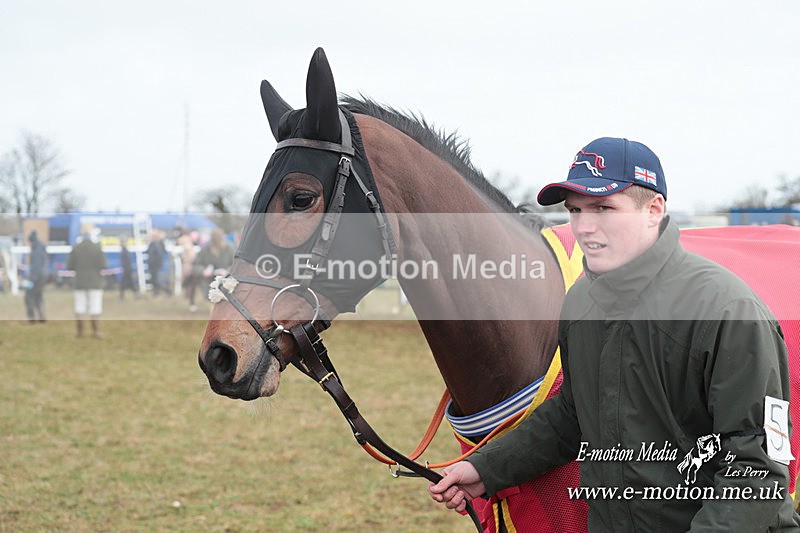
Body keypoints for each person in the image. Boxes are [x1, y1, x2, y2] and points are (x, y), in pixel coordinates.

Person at [429, 137, 800, 531]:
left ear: (653, 210)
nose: (584, 227)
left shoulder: (728, 312)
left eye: (604, 208)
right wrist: (484, 469)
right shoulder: (581, 303)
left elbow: (757, 469)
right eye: (575, 210)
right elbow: (574, 413)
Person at [67, 226, 107, 338]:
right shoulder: (97, 248)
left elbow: (70, 266)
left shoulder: (76, 248)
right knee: (95, 307)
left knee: (80, 307)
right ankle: (96, 331)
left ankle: (80, 332)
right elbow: (103, 265)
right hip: (95, 282)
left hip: (79, 282)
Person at [188, 229, 234, 311]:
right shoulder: (205, 249)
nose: (218, 245)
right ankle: (192, 302)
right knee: (194, 280)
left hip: (226, 279)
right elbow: (195, 264)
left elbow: (236, 264)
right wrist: (203, 271)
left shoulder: (229, 248)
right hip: (208, 280)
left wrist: (228, 271)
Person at [24, 230, 48, 323]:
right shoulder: (41, 247)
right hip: (42, 276)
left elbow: (36, 266)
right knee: (38, 296)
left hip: (36, 278)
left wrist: (32, 280)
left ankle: (31, 318)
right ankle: (42, 317)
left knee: (28, 297)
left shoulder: (37, 250)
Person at [146, 230, 166, 296]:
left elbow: (159, 255)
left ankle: (166, 291)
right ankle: (156, 292)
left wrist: (153, 262)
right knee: (154, 280)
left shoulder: (157, 244)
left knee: (157, 280)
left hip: (156, 265)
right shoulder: (152, 244)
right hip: (152, 265)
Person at [118, 235, 136, 300]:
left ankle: (121, 296)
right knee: (130, 283)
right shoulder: (124, 250)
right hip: (127, 269)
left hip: (127, 270)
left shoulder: (125, 251)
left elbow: (127, 261)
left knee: (123, 283)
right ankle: (136, 293)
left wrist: (126, 269)